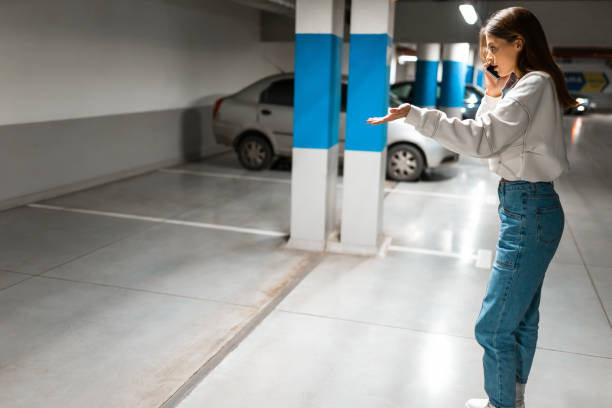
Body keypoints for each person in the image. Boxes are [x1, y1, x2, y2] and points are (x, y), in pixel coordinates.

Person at [367, 6, 578, 408]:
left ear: (520, 43)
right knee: (519, 320)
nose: (489, 57)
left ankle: (500, 404)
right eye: (485, 49)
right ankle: (510, 400)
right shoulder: (526, 87)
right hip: (529, 206)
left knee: (493, 326)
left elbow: (482, 141)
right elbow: (491, 138)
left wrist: (416, 115)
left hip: (528, 208)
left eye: (494, 48)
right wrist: (493, 94)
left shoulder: (533, 84)